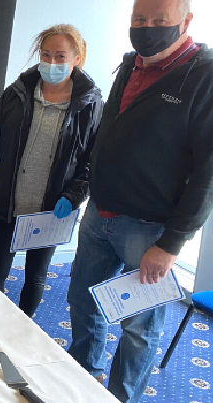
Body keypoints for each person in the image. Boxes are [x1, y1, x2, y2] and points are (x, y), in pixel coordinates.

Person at [66, 1, 213, 401]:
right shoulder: (132, 63)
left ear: (186, 22)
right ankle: (81, 380)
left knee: (139, 326)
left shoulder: (205, 75)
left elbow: (208, 173)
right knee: (83, 301)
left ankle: (119, 397)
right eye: (138, 20)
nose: (147, 28)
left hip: (150, 230)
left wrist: (171, 244)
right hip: (100, 214)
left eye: (158, 21)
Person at [0, 25, 103, 317]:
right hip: (9, 206)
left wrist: (74, 195)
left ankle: (21, 332)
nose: (52, 63)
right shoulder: (17, 94)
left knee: (35, 279)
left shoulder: (89, 105)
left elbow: (92, 161)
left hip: (50, 213)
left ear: (77, 59)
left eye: (60, 56)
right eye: (46, 54)